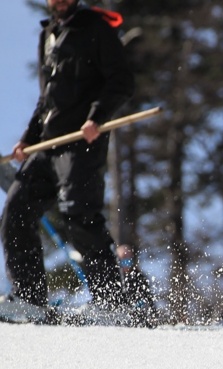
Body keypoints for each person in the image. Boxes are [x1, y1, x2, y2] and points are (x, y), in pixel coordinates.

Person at [0, 0, 134, 322]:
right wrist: (28, 139)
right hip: (48, 143)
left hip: (80, 142)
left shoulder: (95, 28)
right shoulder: (48, 34)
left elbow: (122, 80)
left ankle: (112, 303)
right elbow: (47, 98)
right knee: (15, 213)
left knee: (79, 213)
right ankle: (31, 300)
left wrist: (97, 117)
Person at [116, 244, 159, 328]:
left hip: (138, 319)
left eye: (129, 257)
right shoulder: (114, 277)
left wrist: (153, 315)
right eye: (124, 257)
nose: (127, 261)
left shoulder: (140, 277)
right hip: (119, 320)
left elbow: (149, 299)